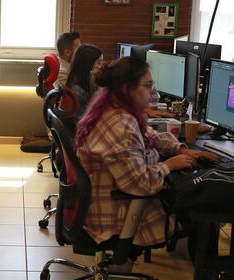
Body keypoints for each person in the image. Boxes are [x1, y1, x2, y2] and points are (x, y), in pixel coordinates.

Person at [74, 57, 217, 247]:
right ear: (128, 88)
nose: (152, 92)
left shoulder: (110, 108)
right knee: (203, 211)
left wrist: (180, 149)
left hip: (103, 205)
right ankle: (214, 275)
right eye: (148, 85)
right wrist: (169, 165)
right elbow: (140, 185)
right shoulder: (121, 125)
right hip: (115, 217)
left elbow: (150, 135)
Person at [65, 44, 104, 122]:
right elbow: (87, 123)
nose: (101, 67)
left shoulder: (77, 83)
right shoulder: (78, 92)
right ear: (88, 65)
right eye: (99, 63)